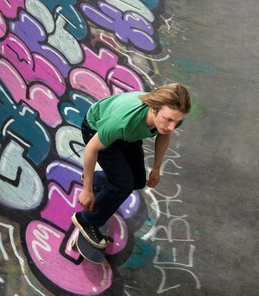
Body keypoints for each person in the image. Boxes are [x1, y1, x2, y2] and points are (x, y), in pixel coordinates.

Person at [71, 83, 191, 248]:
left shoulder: (171, 115)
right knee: (123, 185)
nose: (171, 126)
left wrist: (156, 167)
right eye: (168, 120)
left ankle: (97, 180)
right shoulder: (124, 120)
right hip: (96, 129)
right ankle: (86, 221)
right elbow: (92, 148)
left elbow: (164, 135)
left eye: (176, 121)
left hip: (128, 137)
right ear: (153, 109)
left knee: (138, 181)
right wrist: (87, 191)